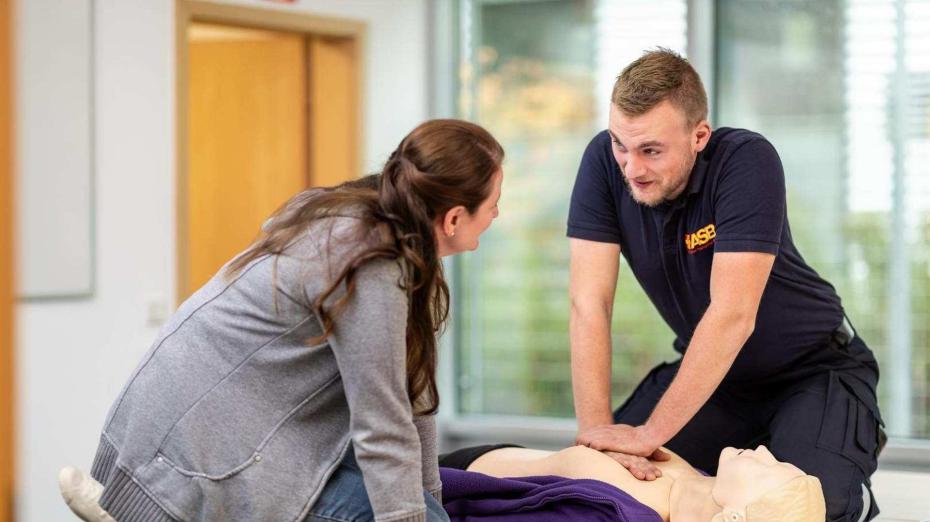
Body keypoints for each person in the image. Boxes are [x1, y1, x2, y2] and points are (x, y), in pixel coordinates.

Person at [84, 119, 504, 522]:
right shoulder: (369, 260)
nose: (497, 214)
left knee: (418, 509)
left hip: (177, 437)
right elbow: (383, 425)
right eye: (493, 204)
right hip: (189, 462)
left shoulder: (373, 231)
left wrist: (431, 502)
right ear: (453, 218)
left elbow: (414, 399)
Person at [567, 48, 883, 521]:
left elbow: (733, 314)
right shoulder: (602, 162)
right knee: (600, 487)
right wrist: (598, 442)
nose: (631, 168)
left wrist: (649, 435)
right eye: (621, 145)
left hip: (812, 370)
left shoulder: (745, 160)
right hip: (717, 380)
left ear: (698, 136)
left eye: (651, 150)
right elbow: (589, 303)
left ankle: (845, 479)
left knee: (813, 506)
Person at [438, 443, 825, 521]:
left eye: (770, 468)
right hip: (492, 455)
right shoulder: (700, 483)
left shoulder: (617, 516)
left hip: (450, 481)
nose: (764, 449)